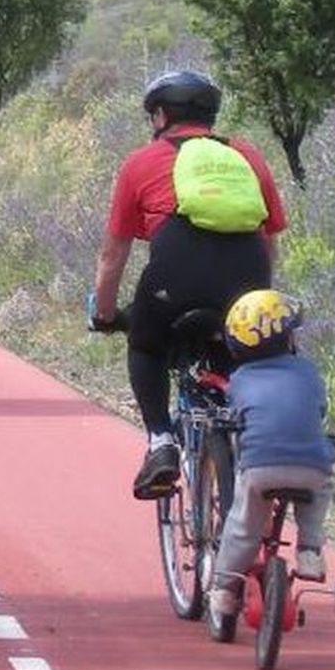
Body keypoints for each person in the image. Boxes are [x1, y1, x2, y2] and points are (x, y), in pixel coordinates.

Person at [87, 70, 288, 498]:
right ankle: (258, 446)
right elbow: (268, 240)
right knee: (243, 360)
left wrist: (105, 313)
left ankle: (160, 442)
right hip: (247, 277)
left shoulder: (141, 162)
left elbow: (113, 254)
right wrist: (253, 296)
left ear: (160, 115)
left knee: (146, 343)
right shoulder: (247, 155)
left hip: (174, 277)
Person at [207, 289, 335, 619]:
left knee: (242, 525)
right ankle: (309, 550)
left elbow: (237, 415)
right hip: (310, 464)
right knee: (318, 491)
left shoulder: (239, 379)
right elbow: (318, 409)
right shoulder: (308, 372)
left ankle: (223, 590)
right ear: (289, 339)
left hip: (261, 468)